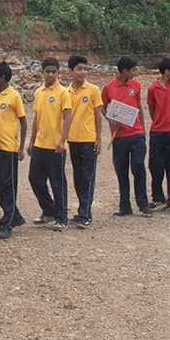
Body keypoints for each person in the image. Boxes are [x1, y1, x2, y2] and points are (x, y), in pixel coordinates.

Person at [25, 58, 74, 228]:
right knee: (35, 179)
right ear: (43, 72)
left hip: (56, 145)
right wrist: (31, 141)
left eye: (54, 71)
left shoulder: (62, 92)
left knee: (57, 182)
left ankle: (62, 217)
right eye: (48, 71)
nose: (51, 74)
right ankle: (48, 210)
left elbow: (68, 116)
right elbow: (37, 118)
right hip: (40, 144)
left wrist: (62, 140)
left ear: (58, 73)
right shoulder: (39, 92)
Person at [0, 62, 27, 239]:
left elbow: (23, 121)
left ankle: (6, 223)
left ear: (3, 78)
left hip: (7, 147)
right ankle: (14, 214)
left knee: (8, 185)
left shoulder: (14, 96)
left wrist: (21, 147)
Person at [102, 56, 150, 217]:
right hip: (119, 136)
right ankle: (125, 206)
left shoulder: (135, 86)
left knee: (138, 167)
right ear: (124, 71)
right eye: (133, 70)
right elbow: (102, 106)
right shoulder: (109, 87)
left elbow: (138, 107)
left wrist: (143, 130)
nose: (135, 73)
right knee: (121, 170)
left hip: (136, 134)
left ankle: (143, 203)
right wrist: (110, 119)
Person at [64, 55, 104, 226]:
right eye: (79, 69)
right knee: (78, 177)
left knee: (88, 176)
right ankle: (82, 208)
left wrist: (98, 138)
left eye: (85, 69)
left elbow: (98, 115)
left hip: (88, 139)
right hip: (73, 140)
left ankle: (85, 213)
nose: (83, 72)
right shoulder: (66, 92)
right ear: (71, 71)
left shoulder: (93, 90)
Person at [146, 58, 170, 214]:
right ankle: (158, 198)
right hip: (158, 132)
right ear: (167, 71)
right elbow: (151, 108)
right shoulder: (152, 88)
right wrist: (159, 120)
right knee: (156, 166)